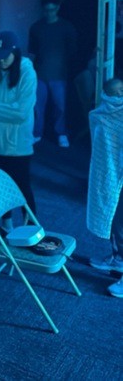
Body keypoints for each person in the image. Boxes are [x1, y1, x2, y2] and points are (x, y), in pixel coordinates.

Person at [0, 31, 38, 231]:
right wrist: (5, 109)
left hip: (18, 146)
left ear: (15, 52)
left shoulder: (27, 73)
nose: (1, 60)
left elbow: (21, 113)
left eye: (5, 56)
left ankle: (31, 231)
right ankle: (5, 227)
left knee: (22, 188)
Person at [87, 78, 123, 298]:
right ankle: (119, 259)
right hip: (111, 174)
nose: (120, 95)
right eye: (116, 92)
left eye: (122, 90)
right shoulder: (103, 113)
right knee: (116, 221)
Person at [28, 0, 77, 147]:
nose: (50, 13)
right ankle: (37, 133)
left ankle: (61, 133)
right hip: (40, 73)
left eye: (52, 10)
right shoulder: (36, 27)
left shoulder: (66, 27)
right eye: (47, 10)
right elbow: (32, 52)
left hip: (59, 74)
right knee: (37, 106)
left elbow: (72, 51)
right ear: (43, 10)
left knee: (60, 107)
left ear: (58, 8)